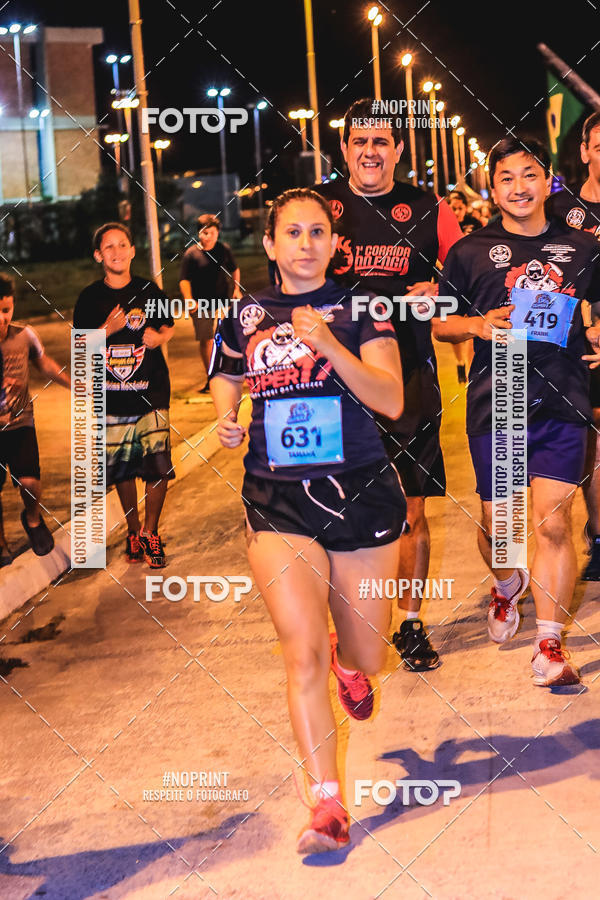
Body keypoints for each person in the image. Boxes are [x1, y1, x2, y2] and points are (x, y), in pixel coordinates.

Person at [210, 188, 406, 853]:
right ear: (268, 244)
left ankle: (349, 666)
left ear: (334, 242)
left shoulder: (363, 307)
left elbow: (391, 397)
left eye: (317, 231)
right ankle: (328, 805)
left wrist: (328, 343)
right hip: (277, 499)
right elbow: (227, 373)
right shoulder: (245, 312)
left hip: (362, 493)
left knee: (366, 654)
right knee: (302, 654)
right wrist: (226, 417)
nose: (304, 242)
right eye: (290, 232)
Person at [434, 136, 600, 687]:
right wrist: (479, 325)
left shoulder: (582, 246)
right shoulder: (469, 251)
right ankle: (506, 585)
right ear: (493, 186)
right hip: (498, 397)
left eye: (529, 175)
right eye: (507, 178)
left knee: (554, 520)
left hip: (563, 395)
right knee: (499, 529)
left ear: (547, 179)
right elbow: (440, 322)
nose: (519, 187)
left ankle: (550, 644)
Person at [316, 98, 462, 672]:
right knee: (336, 511)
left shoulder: (430, 209)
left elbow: (466, 286)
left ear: (399, 149)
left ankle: (410, 622)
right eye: (359, 141)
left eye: (382, 141)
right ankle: (349, 624)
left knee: (411, 513)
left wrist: (441, 293)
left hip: (410, 381)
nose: (370, 151)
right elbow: (294, 282)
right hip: (336, 385)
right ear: (344, 148)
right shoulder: (322, 207)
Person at [73, 223, 175, 568]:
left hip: (152, 393)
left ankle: (150, 532)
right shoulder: (90, 298)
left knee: (158, 465)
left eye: (123, 245)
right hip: (112, 398)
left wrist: (159, 339)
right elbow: (81, 347)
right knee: (124, 470)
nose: (117, 252)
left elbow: (169, 326)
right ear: (98, 255)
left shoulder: (150, 290)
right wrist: (108, 330)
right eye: (109, 247)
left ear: (133, 250)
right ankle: (133, 531)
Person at [547, 111, 600, 579]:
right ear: (584, 152)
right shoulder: (560, 211)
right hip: (580, 341)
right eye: (599, 146)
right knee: (591, 444)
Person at [0, 273, 71, 564]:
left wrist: (73, 383)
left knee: (30, 482)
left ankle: (32, 518)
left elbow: (45, 365)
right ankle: (1, 544)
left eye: (6, 310)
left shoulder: (25, 335)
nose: (2, 318)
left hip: (20, 424)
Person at [179, 214, 241, 392]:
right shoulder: (191, 254)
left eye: (211, 233)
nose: (208, 237)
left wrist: (236, 289)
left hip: (223, 301)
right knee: (206, 340)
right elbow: (184, 280)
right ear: (199, 233)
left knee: (226, 338)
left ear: (218, 233)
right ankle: (211, 377)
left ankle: (230, 374)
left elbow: (235, 269)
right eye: (204, 233)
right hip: (201, 304)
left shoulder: (224, 249)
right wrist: (189, 300)